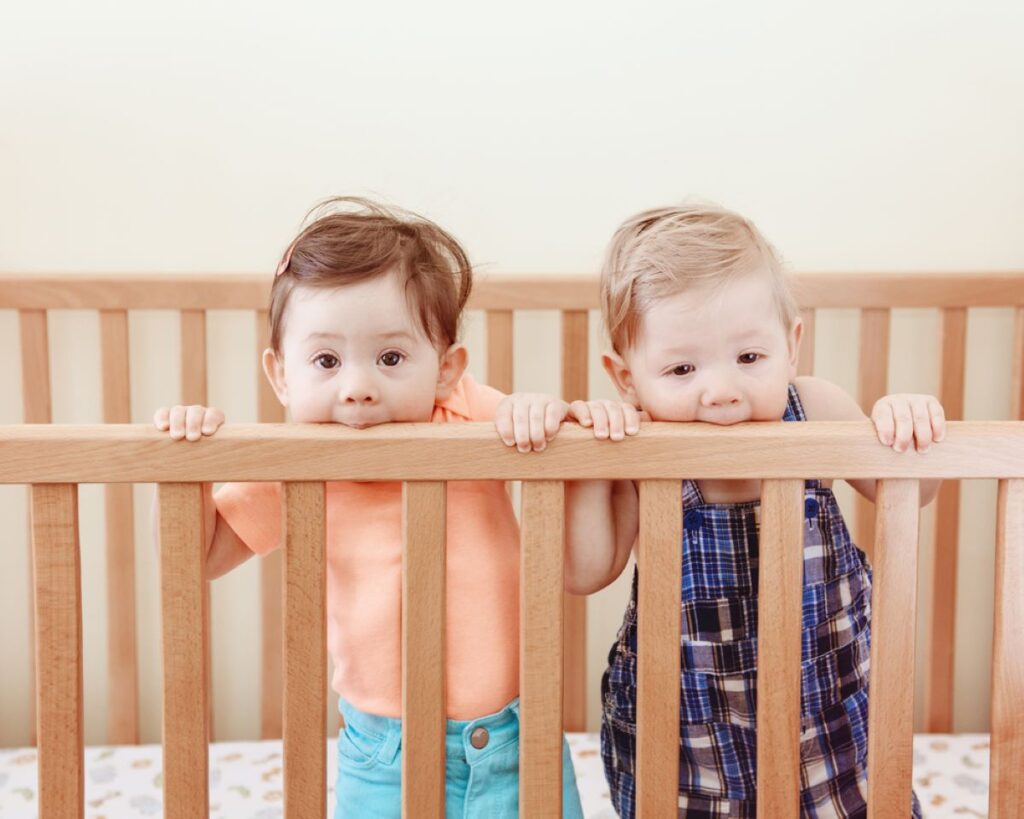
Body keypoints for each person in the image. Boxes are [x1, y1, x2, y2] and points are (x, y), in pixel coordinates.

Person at [153, 197, 585, 818]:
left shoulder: (468, 414)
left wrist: (541, 409)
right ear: (281, 376)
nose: (357, 385)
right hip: (385, 755)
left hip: (521, 740)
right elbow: (203, 556)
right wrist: (187, 468)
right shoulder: (299, 464)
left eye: (389, 358)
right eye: (326, 360)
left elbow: (553, 436)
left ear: (445, 369)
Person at [505, 203, 941, 817]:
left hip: (830, 725)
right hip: (685, 735)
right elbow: (582, 571)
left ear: (791, 344)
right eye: (682, 368)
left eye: (749, 358)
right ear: (626, 379)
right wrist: (582, 460)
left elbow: (913, 495)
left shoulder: (816, 409)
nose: (721, 390)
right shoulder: (642, 446)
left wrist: (907, 426)